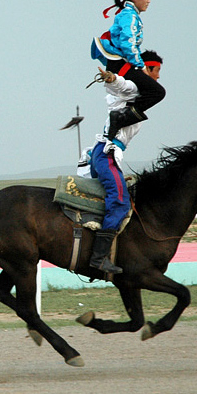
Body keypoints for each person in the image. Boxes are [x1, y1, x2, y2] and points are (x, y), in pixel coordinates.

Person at [79, 50, 164, 274]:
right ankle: (97, 259)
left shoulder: (142, 96)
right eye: (156, 72)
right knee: (120, 202)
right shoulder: (134, 88)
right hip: (106, 154)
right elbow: (124, 85)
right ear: (147, 69)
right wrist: (112, 78)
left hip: (104, 153)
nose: (157, 78)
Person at [91, 0, 166, 140]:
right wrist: (140, 66)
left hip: (121, 64)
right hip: (121, 65)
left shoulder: (130, 15)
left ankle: (121, 118)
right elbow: (128, 43)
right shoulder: (129, 16)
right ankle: (120, 118)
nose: (149, 1)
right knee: (158, 92)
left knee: (147, 92)